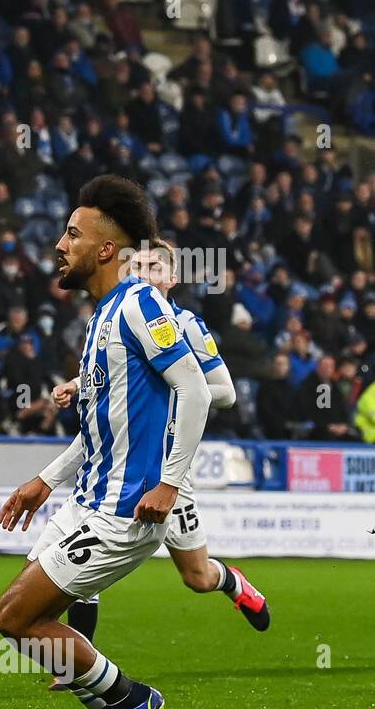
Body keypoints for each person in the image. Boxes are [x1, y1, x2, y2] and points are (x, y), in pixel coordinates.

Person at [0, 176, 212, 709]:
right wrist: (44, 480)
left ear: (106, 249)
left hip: (127, 509)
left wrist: (169, 482)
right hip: (92, 500)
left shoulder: (141, 303)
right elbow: (100, 431)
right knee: (18, 614)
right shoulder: (102, 318)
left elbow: (195, 390)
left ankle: (130, 703)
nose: (60, 244)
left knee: (15, 615)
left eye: (72, 234)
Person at [50, 239, 270, 646]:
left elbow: (224, 391)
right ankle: (76, 664)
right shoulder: (120, 317)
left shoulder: (186, 325)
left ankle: (232, 582)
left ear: (171, 278)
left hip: (169, 471)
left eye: (153, 267)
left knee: (197, 577)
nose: (142, 274)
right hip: (123, 462)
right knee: (82, 550)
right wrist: (78, 384)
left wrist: (180, 386)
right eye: (135, 267)